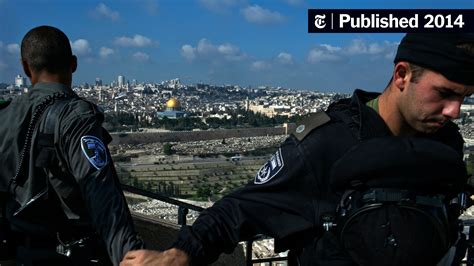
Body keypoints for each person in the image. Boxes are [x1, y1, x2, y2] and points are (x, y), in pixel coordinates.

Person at [121, 33, 474, 266]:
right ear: (401, 76)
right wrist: (179, 254)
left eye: (464, 99)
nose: (454, 111)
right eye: (444, 94)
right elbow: (242, 206)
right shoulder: (328, 142)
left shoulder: (444, 142)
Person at [0, 25, 144, 265]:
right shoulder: (74, 117)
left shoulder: (5, 115)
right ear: (74, 64)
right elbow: (103, 198)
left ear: (25, 67)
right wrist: (132, 258)